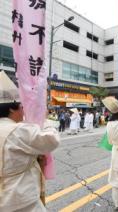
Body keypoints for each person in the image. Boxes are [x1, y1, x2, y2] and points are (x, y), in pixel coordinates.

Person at [0, 71, 60, 211]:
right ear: (11, 109)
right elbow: (52, 140)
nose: (23, 110)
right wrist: (44, 120)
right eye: (21, 107)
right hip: (21, 199)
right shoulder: (18, 131)